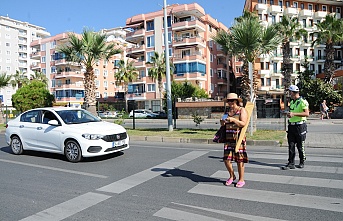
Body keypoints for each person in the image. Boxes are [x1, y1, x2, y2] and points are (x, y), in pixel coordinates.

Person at [220, 93, 248, 188]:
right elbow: (222, 124)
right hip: (228, 138)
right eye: (228, 101)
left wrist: (233, 120)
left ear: (236, 101)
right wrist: (222, 122)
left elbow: (243, 123)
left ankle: (241, 179)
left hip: (238, 138)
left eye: (232, 100)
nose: (230, 103)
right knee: (226, 159)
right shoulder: (227, 111)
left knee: (239, 160)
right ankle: (232, 176)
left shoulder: (241, 110)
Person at [282, 85, 309, 170]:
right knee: (291, 145)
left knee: (300, 145)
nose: (289, 94)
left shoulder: (303, 101)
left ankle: (302, 161)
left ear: (293, 93)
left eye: (290, 92)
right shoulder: (292, 101)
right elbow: (292, 111)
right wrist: (288, 113)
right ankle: (291, 163)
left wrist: (294, 114)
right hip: (291, 125)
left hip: (300, 126)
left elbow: (306, 114)